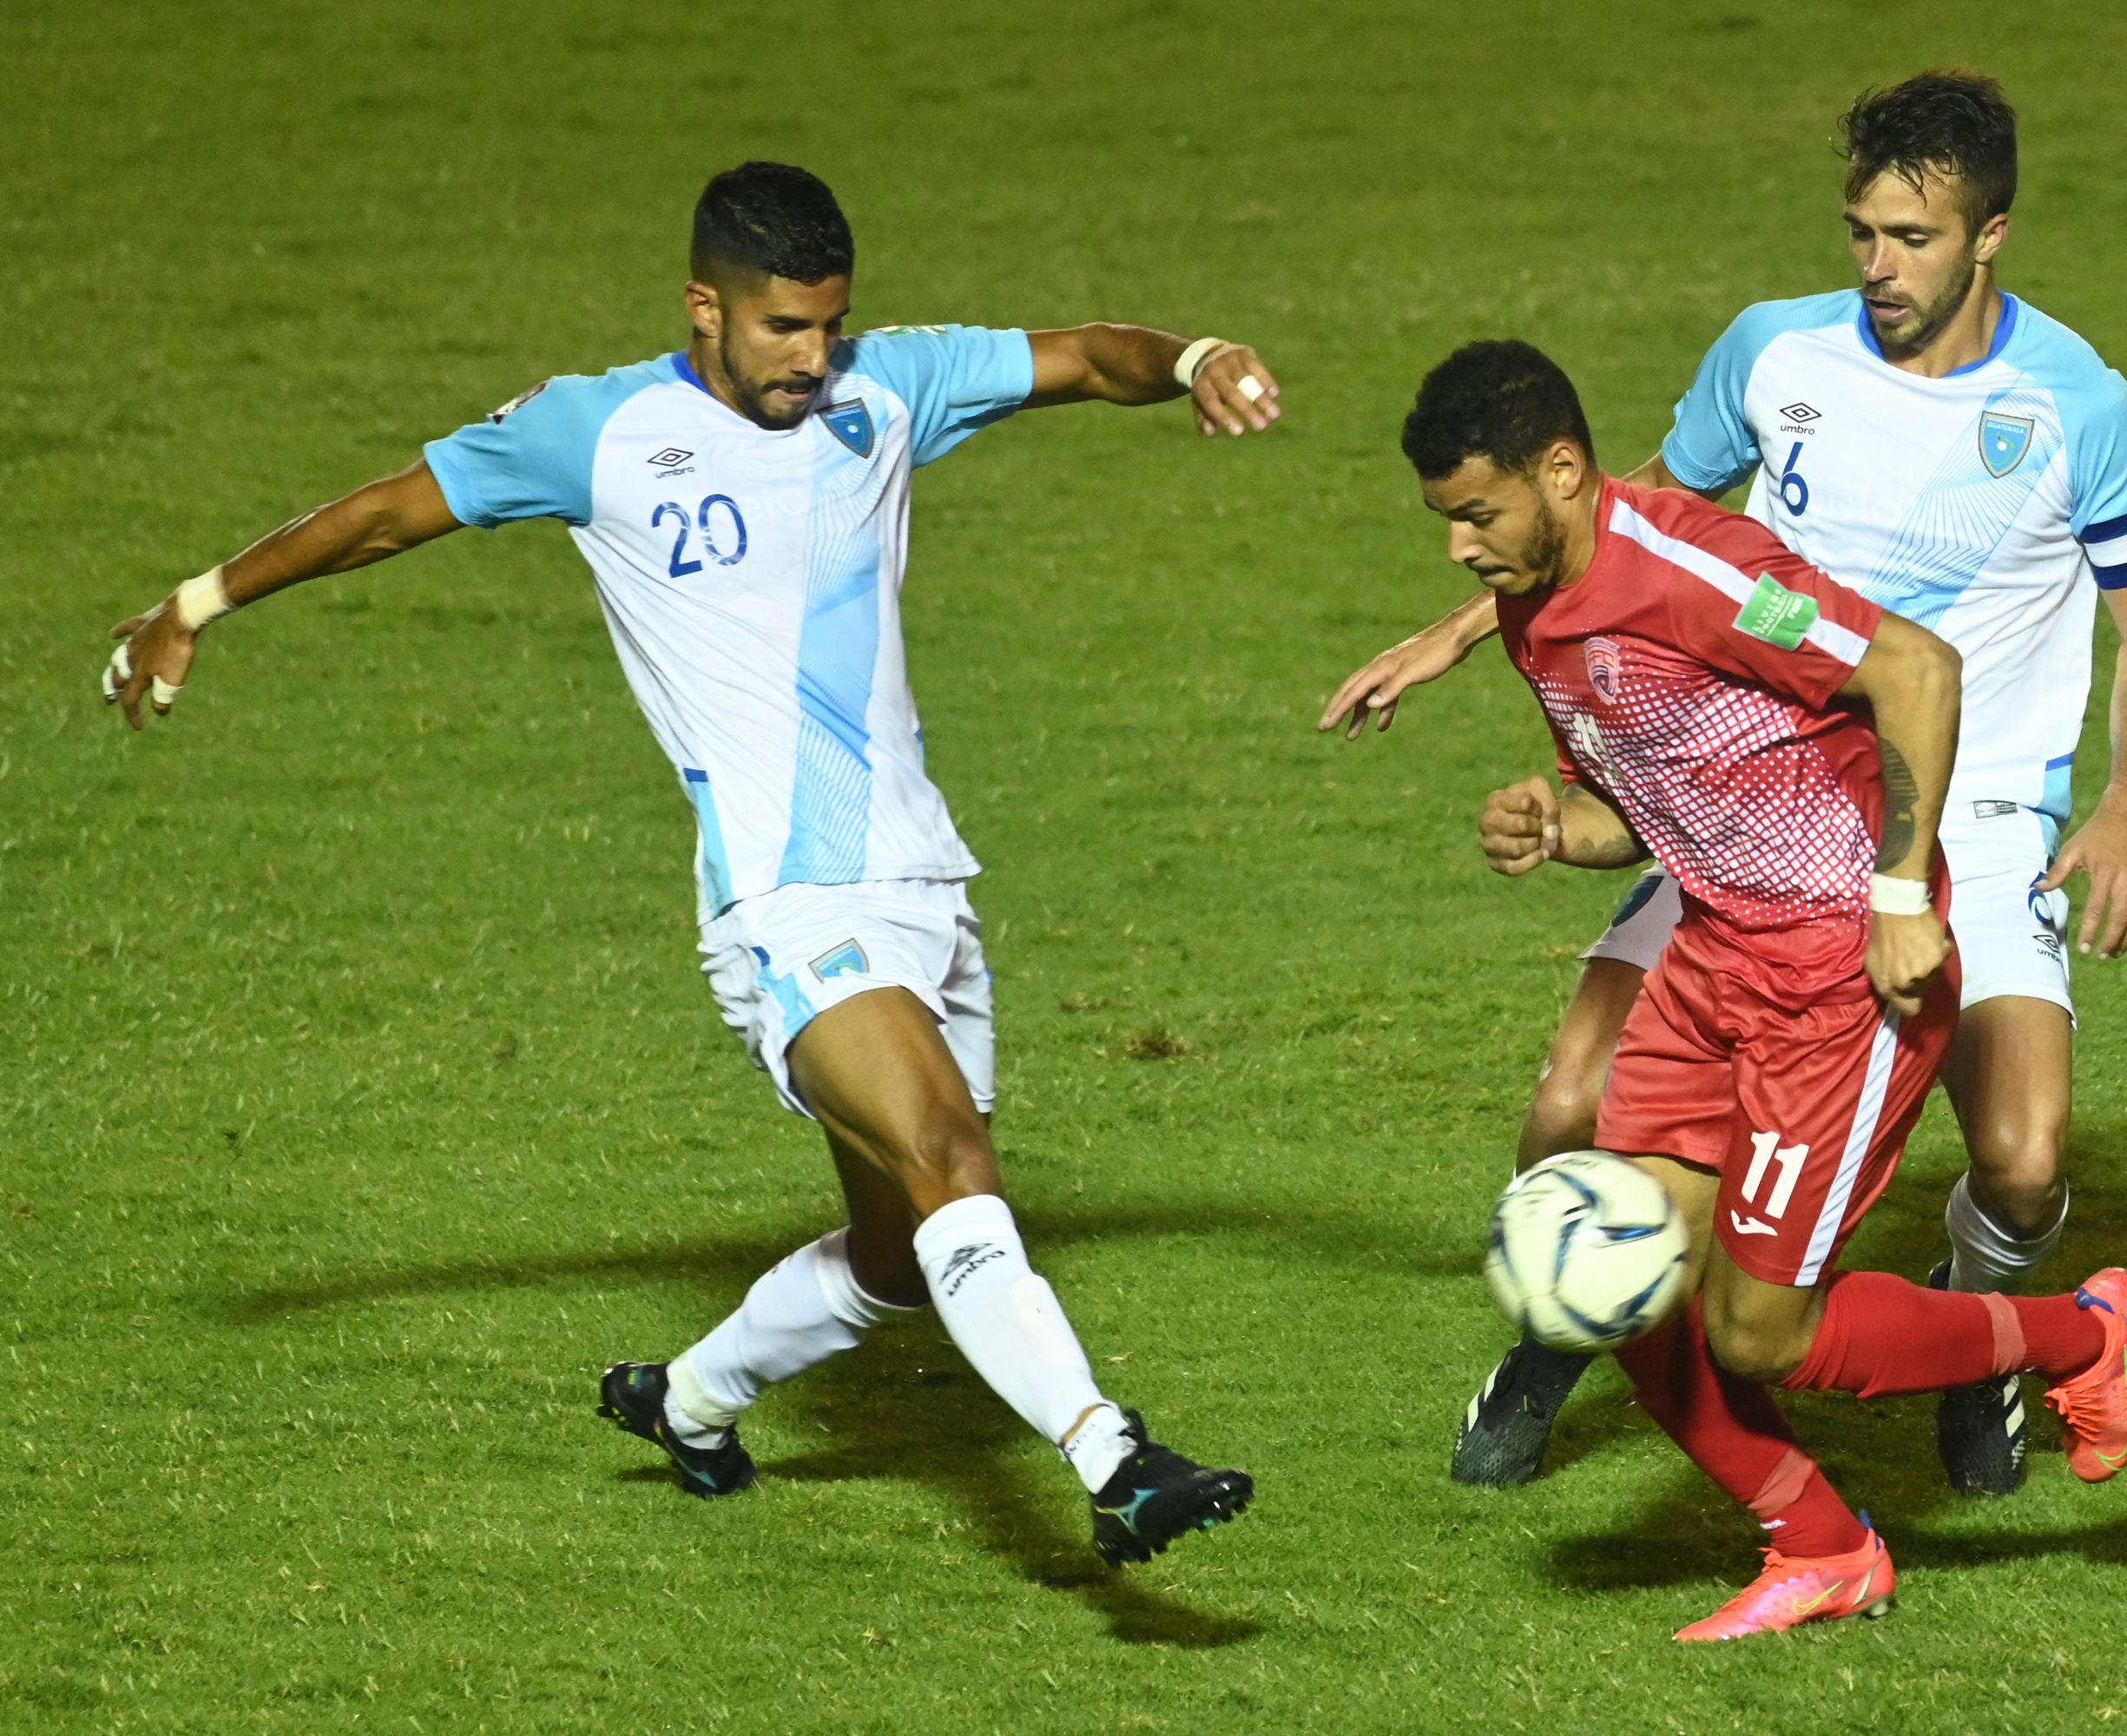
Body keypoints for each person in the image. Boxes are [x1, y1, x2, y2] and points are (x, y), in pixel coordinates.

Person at [101, 161, 1282, 1568]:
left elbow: (1090, 359)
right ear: (704, 307)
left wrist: (1198, 357)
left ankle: (693, 1399)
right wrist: (198, 601)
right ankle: (1115, 1455)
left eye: (830, 325)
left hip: (926, 885)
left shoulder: (884, 390)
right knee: (951, 1154)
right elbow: (385, 514)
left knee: (909, 1253)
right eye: (784, 328)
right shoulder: (597, 431)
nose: (812, 357)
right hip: (783, 907)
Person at [1324, 71, 2127, 1496]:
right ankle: (1561, 1330)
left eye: (1912, 237)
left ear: (1992, 236)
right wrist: (1462, 627)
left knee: (2026, 1163)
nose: (1877, 266)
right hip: (1749, 791)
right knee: (1566, 1108)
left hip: (1948, 808)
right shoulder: (1775, 355)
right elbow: (1627, 523)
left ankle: (1992, 1351)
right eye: (1860, 231)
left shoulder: (2077, 406)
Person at [1399, 338, 2127, 1638]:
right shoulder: (1538, 615)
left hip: (1838, 976)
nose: (1461, 549)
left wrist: (1903, 895)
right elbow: (1645, 805)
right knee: (1616, 1271)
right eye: (1448, 521)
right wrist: (1556, 826)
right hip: (1711, 963)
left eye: (1477, 513)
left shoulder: (1707, 573)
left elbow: (1911, 668)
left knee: (1758, 1333)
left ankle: (2080, 1338)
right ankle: (1820, 1544)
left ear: (1561, 473)